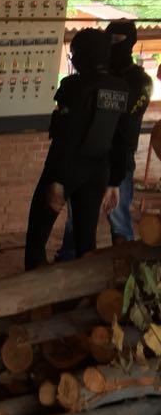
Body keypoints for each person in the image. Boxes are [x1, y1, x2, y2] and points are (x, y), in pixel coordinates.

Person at [23, 28, 129, 270]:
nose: (73, 59)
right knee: (86, 238)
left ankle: (30, 291)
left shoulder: (73, 86)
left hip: (67, 167)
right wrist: (114, 181)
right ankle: (83, 292)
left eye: (74, 54)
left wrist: (57, 180)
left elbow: (66, 135)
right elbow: (122, 139)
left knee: (38, 233)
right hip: (98, 170)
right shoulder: (120, 88)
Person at [54, 19, 153, 256]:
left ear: (130, 43)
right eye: (108, 41)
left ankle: (127, 269)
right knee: (76, 221)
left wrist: (115, 177)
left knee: (118, 220)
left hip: (119, 163)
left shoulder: (139, 81)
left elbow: (122, 125)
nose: (112, 46)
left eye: (117, 41)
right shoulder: (97, 77)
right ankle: (69, 265)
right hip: (88, 159)